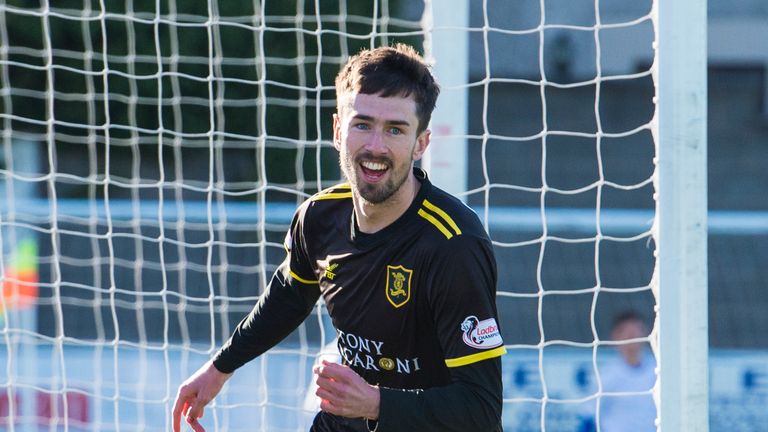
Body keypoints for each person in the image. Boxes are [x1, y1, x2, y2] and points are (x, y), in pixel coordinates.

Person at [171, 43, 506, 432]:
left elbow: (481, 410)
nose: (375, 147)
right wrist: (217, 370)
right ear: (337, 129)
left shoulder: (453, 245)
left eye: (395, 129)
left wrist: (375, 403)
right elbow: (290, 295)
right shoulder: (319, 217)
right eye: (362, 124)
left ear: (421, 144)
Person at [579, 311, 657, 432]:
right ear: (616, 337)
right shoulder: (606, 376)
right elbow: (589, 416)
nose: (634, 339)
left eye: (637, 332)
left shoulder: (658, 371)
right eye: (629, 335)